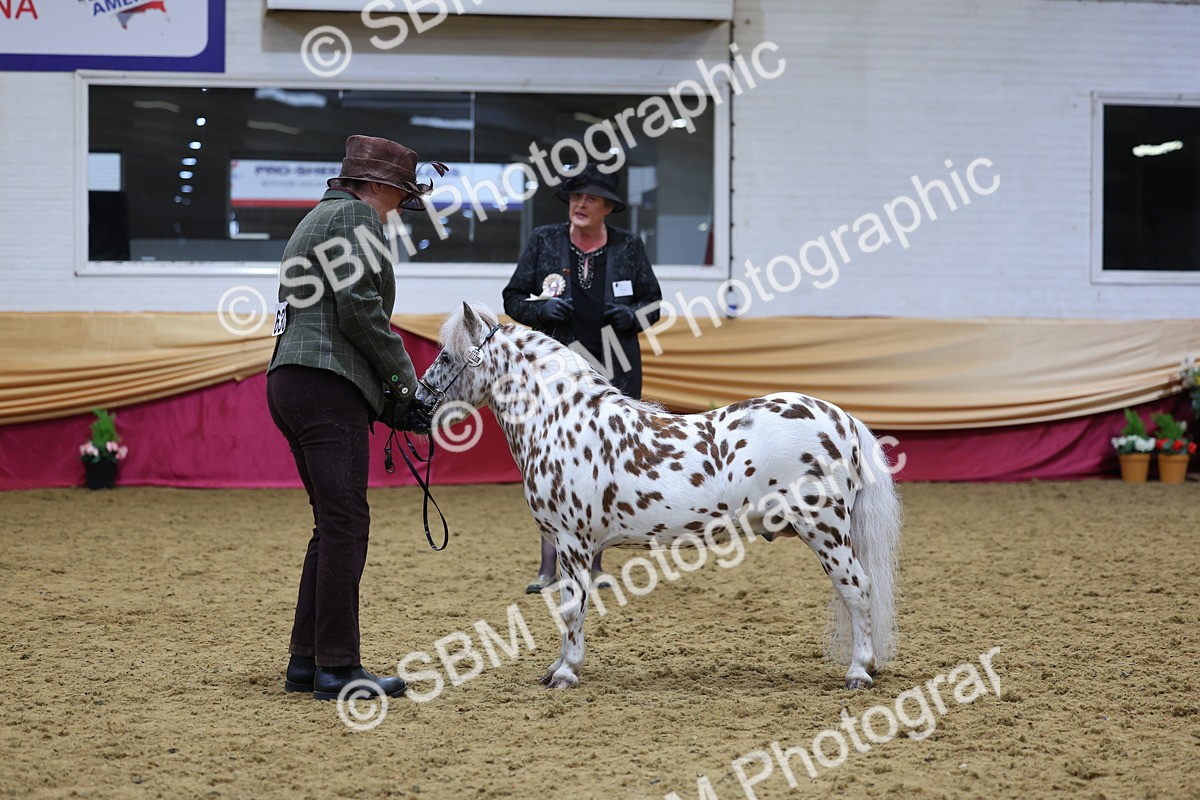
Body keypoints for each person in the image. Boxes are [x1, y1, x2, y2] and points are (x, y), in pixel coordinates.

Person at [267, 135, 438, 700]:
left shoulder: (318, 218)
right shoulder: (357, 219)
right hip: (325, 384)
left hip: (292, 380)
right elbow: (360, 311)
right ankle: (337, 669)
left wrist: (392, 402)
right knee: (346, 526)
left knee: (331, 525)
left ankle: (307, 661)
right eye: (401, 193)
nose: (400, 205)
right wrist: (406, 388)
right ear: (381, 185)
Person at [502, 163, 663, 594]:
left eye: (590, 198)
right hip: (555, 375)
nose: (580, 204)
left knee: (604, 465)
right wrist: (540, 312)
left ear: (608, 207)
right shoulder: (545, 241)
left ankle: (593, 562)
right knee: (554, 465)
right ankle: (547, 567)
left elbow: (654, 305)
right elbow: (513, 298)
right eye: (575, 197)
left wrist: (631, 316)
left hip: (614, 370)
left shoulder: (629, 246)